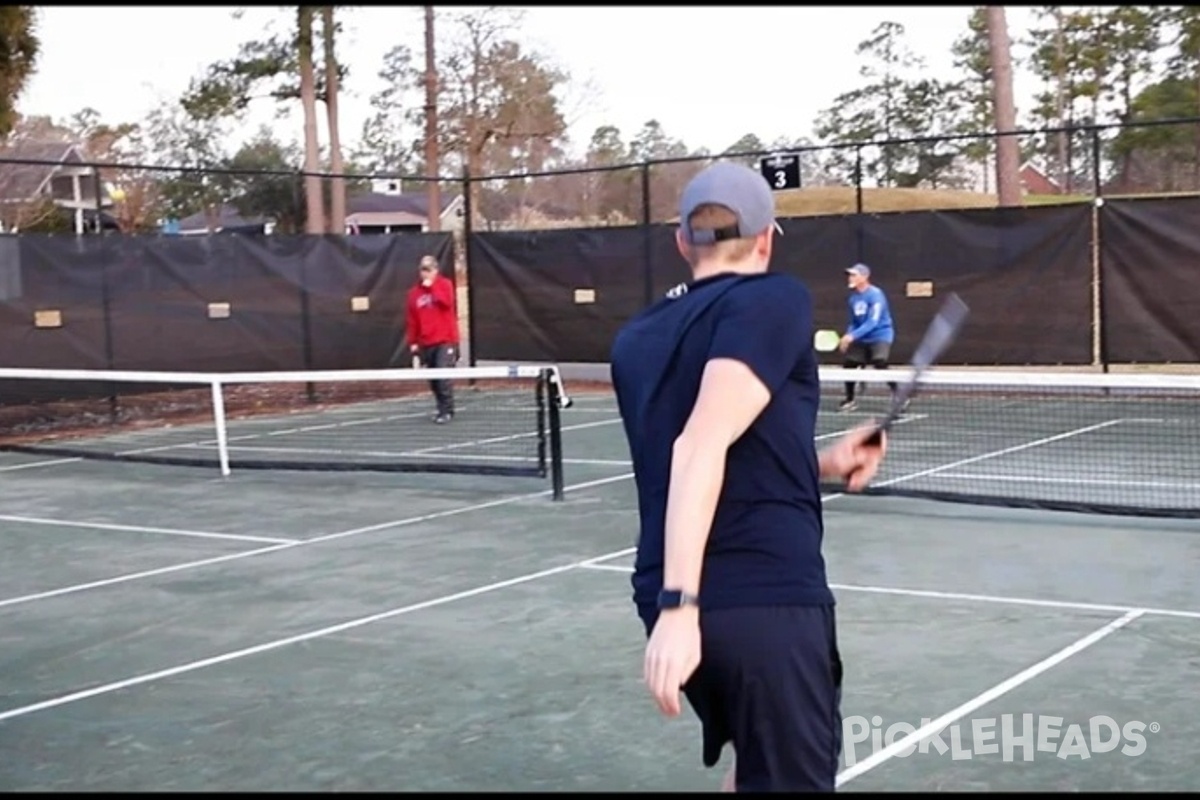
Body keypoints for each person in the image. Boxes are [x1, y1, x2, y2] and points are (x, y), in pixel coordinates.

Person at [609, 161, 888, 793]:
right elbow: (699, 445)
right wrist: (684, 607)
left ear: (683, 241)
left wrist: (824, 462)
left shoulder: (637, 338)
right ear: (766, 239)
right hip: (760, 599)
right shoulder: (773, 298)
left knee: (754, 768)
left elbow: (706, 457)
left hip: (666, 591)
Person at [405, 254, 460, 424]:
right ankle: (441, 407)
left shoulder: (445, 285)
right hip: (427, 342)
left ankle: (447, 410)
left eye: (428, 270)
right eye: (423, 270)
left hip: (446, 340)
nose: (425, 273)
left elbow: (447, 303)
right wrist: (413, 342)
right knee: (434, 380)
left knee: (443, 377)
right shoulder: (413, 294)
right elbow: (412, 319)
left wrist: (432, 288)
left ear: (436, 270)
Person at [838, 263, 897, 412]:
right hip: (861, 338)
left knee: (880, 362)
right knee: (849, 365)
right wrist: (847, 335)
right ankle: (850, 399)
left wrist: (852, 336)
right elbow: (853, 322)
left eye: (854, 275)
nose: (850, 278)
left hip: (880, 335)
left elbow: (873, 322)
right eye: (850, 275)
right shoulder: (853, 299)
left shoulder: (876, 295)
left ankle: (899, 395)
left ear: (864, 277)